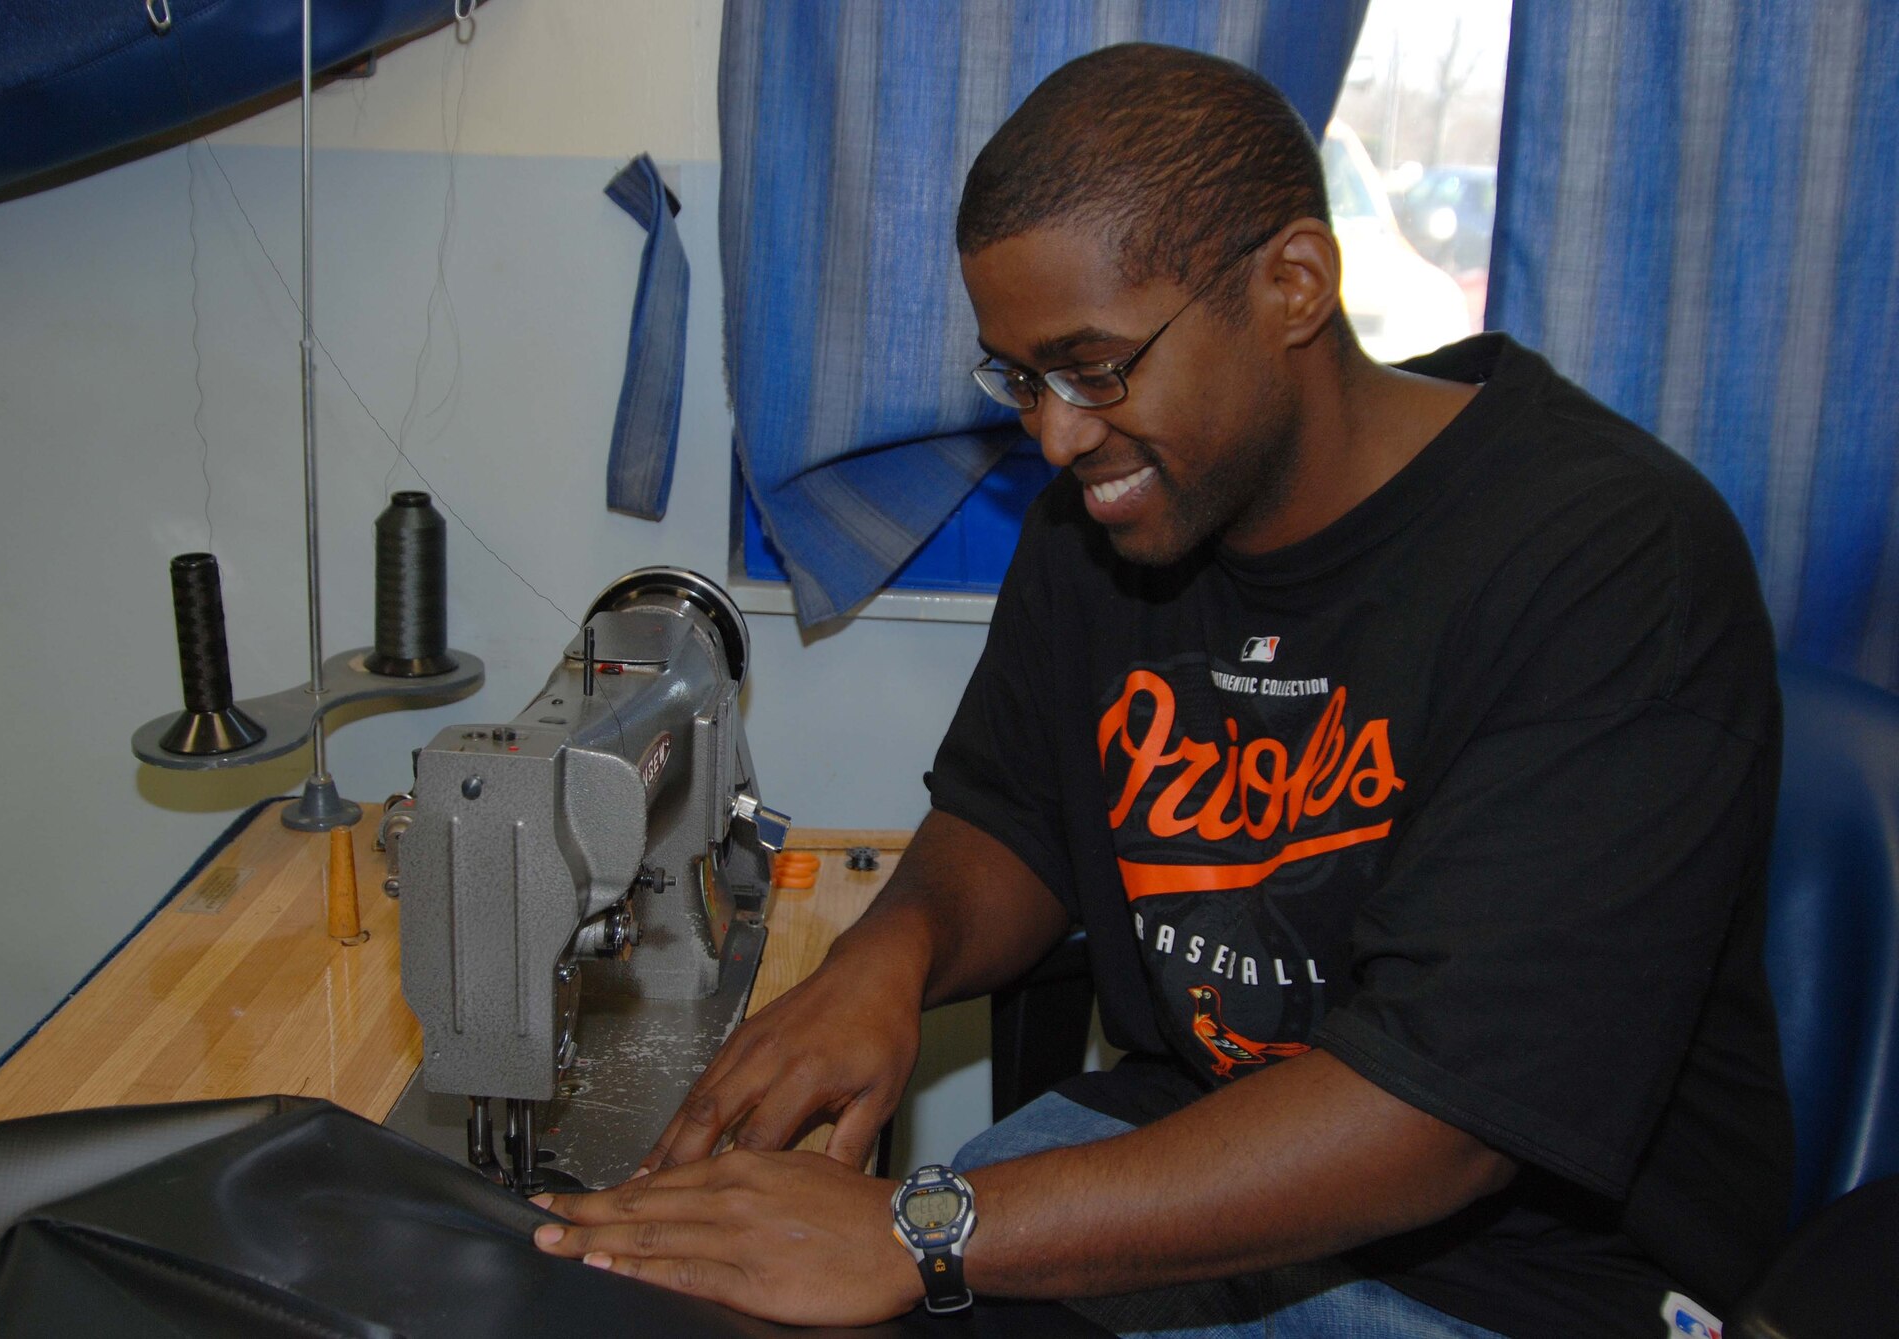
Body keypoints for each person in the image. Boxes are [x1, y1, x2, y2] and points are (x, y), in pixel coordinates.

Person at [531, 44, 1791, 1338]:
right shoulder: (1113, 523)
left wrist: (926, 1231)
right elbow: (1018, 817)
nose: (1057, 436)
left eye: (1095, 367)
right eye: (1021, 378)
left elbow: (1443, 1119)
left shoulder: (1609, 563)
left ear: (1294, 285)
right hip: (1191, 1147)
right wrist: (887, 961)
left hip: (1527, 1270)